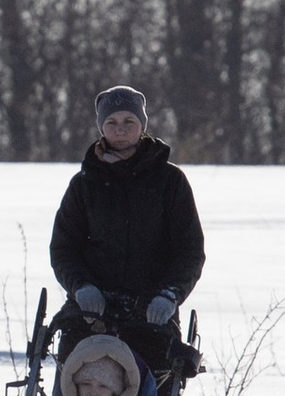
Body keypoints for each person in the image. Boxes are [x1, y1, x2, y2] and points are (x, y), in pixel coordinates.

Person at [48, 82, 205, 369]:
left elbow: (190, 251)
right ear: (101, 127)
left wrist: (169, 296)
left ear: (142, 125)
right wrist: (81, 287)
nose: (120, 129)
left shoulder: (171, 182)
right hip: (91, 310)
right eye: (112, 122)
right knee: (74, 374)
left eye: (129, 121)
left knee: (152, 380)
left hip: (151, 311)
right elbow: (63, 248)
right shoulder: (84, 184)